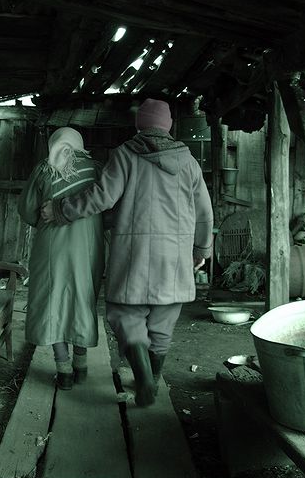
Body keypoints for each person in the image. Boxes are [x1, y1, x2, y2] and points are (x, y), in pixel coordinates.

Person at [41, 98, 213, 407]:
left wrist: (61, 209)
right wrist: (202, 248)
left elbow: (102, 197)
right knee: (162, 323)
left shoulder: (125, 155)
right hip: (174, 259)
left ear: (139, 124)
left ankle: (142, 376)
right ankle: (152, 380)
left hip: (134, 256)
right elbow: (204, 211)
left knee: (125, 314)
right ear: (168, 125)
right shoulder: (188, 161)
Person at [18, 126, 105, 390]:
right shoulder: (95, 169)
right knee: (82, 300)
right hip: (88, 248)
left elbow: (27, 210)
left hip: (51, 247)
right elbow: (108, 206)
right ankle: (81, 366)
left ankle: (63, 369)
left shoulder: (44, 169)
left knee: (52, 301)